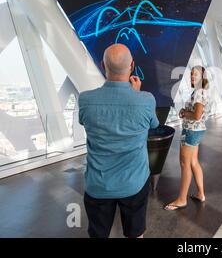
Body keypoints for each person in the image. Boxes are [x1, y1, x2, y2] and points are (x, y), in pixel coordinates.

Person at [78, 44, 160, 238]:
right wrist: (137, 93)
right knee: (135, 234)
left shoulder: (85, 99)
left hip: (98, 184)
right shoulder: (146, 100)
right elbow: (153, 124)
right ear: (131, 65)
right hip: (134, 183)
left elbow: (83, 121)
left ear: (102, 65)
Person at [164, 66, 209, 211]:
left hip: (191, 131)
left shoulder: (199, 92)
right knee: (194, 162)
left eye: (195, 74)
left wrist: (184, 114)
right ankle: (200, 194)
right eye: (191, 74)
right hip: (197, 130)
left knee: (185, 164)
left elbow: (197, 115)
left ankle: (182, 199)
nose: (192, 76)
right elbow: (197, 113)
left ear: (202, 77)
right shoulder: (199, 91)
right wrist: (186, 111)